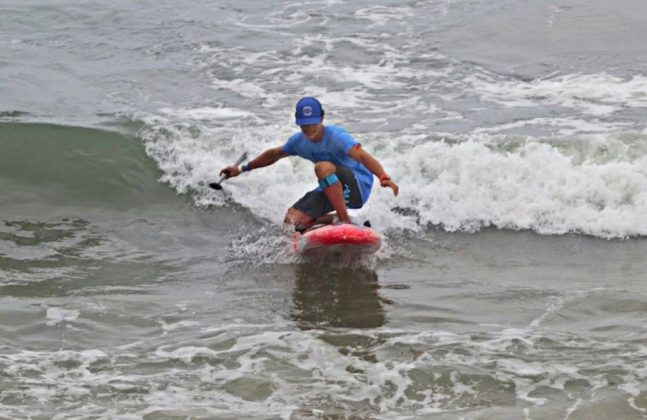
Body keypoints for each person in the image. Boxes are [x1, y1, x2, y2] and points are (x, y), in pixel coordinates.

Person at [220, 97, 399, 230]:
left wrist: (382, 176)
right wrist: (241, 169)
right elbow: (274, 155)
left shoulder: (337, 137)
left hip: (358, 186)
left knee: (322, 167)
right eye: (304, 124)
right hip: (331, 187)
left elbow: (361, 156)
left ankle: (344, 221)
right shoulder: (298, 142)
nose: (308, 128)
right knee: (291, 221)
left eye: (312, 122)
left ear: (321, 118)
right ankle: (348, 222)